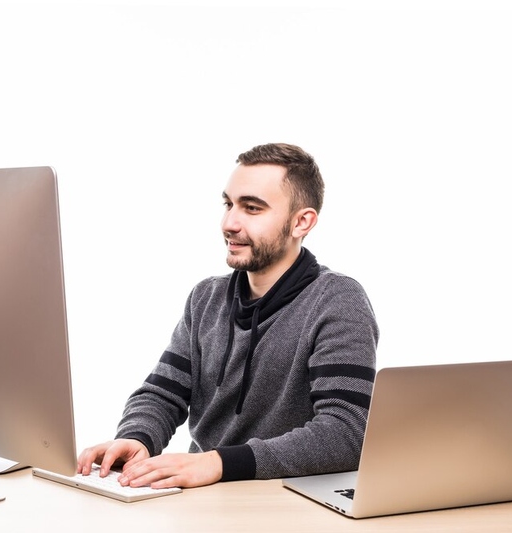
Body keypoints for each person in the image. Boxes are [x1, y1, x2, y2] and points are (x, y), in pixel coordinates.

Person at [78, 143, 378, 489]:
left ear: (301, 222)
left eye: (252, 208)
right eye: (228, 204)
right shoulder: (206, 297)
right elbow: (162, 394)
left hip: (286, 501)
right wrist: (137, 438)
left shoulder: (337, 300)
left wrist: (220, 462)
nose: (229, 223)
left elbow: (346, 432)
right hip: (203, 498)